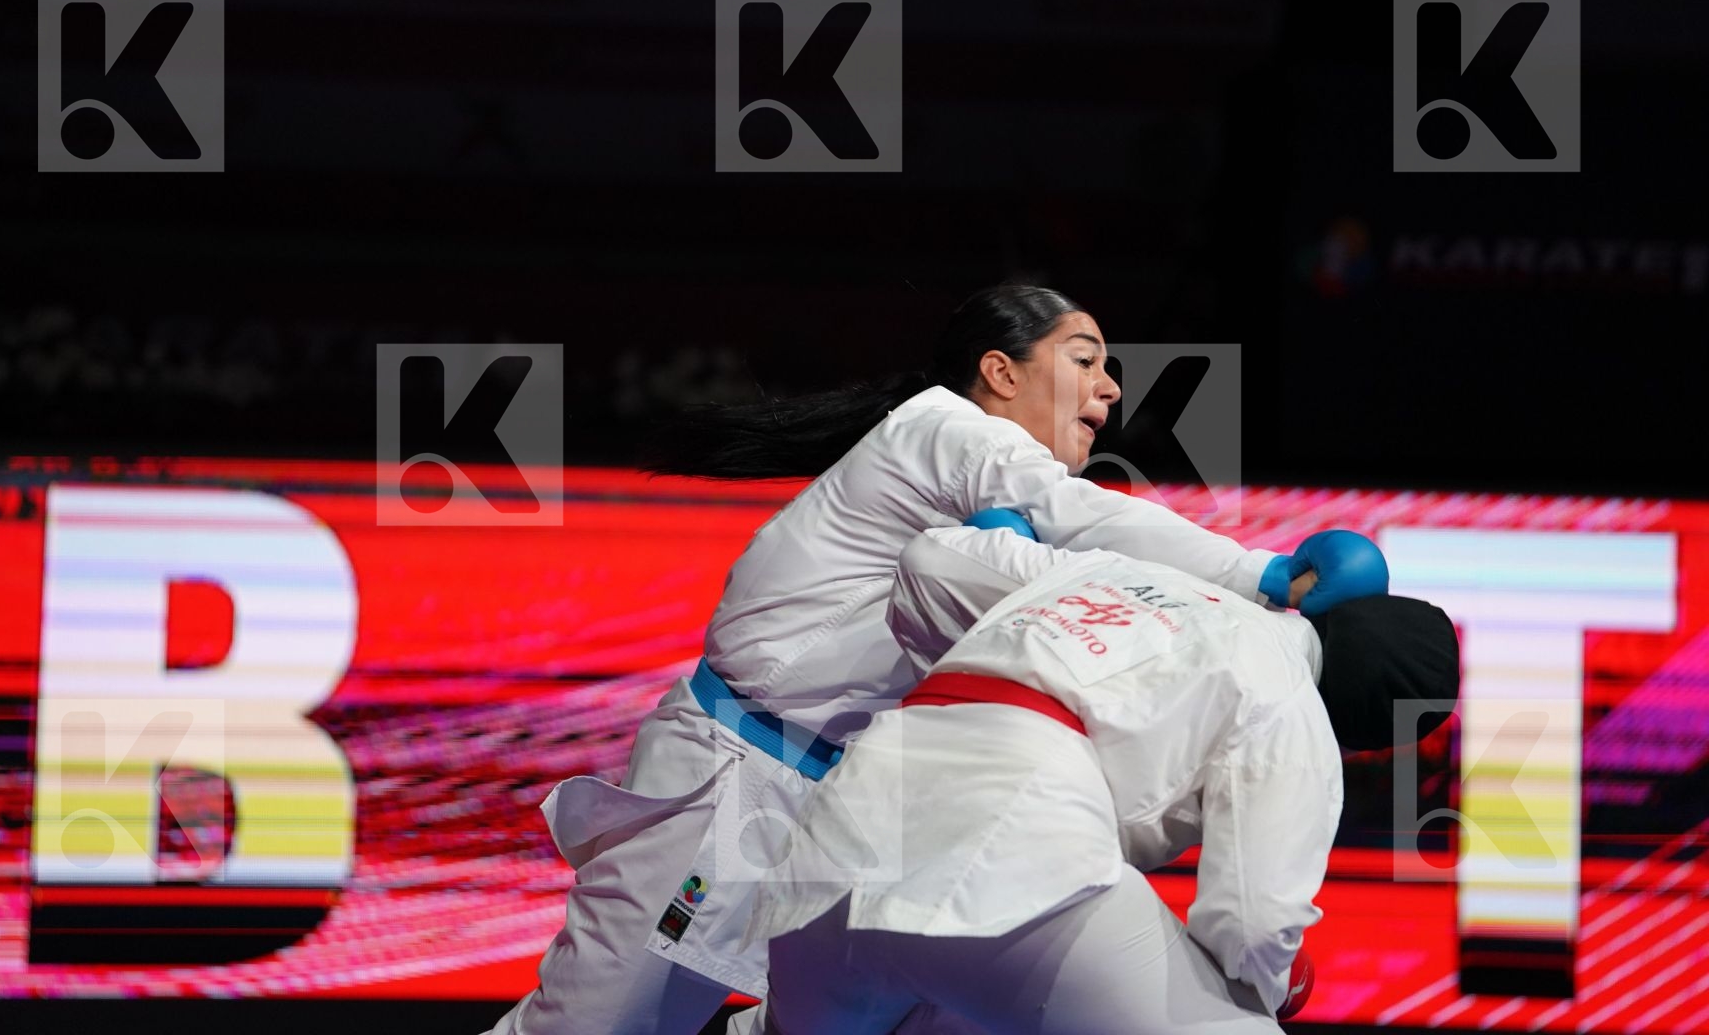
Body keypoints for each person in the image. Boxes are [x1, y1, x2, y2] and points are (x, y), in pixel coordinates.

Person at [487, 285, 1389, 1035]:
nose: (1110, 388)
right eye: (1085, 359)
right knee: (596, 1029)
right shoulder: (946, 428)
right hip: (736, 776)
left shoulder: (1002, 537)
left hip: (850, 812)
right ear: (1000, 371)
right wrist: (1264, 574)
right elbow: (1094, 519)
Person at [747, 524, 1458, 1034]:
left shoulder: (1133, 577)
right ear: (1368, 729)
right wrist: (1275, 981)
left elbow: (932, 561)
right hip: (1009, 860)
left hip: (837, 843)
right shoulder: (1291, 703)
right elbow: (1253, 919)